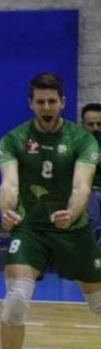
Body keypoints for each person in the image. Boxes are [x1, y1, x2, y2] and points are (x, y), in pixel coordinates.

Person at [0, 72, 101, 349]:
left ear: (63, 103)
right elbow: (8, 184)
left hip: (73, 228)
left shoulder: (83, 140)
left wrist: (71, 210)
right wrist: (7, 210)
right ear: (31, 103)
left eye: (52, 101)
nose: (47, 107)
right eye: (40, 101)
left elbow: (82, 187)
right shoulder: (13, 139)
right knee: (15, 301)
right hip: (31, 229)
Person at [80, 103, 101, 244]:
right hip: (88, 190)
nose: (95, 128)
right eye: (91, 124)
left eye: (99, 124)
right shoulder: (76, 141)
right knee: (94, 225)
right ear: (82, 124)